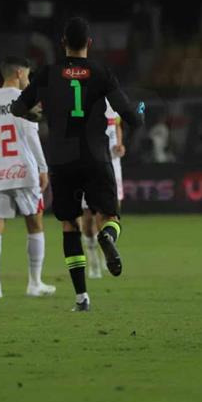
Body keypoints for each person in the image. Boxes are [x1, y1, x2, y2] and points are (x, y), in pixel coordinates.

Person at [10, 17, 144, 312]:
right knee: (111, 216)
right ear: (90, 43)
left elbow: (17, 107)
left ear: (62, 44)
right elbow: (131, 116)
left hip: (62, 158)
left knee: (70, 225)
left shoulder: (47, 73)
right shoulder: (101, 72)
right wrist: (141, 111)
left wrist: (40, 115)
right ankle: (107, 236)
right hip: (96, 155)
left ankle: (81, 298)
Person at [0, 56, 56, 298]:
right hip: (24, 171)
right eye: (27, 75)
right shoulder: (23, 100)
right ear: (19, 72)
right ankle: (34, 283)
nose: (28, 80)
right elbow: (31, 136)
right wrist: (42, 168)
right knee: (35, 223)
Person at [81, 99, 125, 278]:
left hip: (113, 165)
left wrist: (120, 145)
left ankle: (107, 253)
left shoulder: (113, 102)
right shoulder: (81, 104)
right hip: (90, 166)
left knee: (111, 214)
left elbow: (117, 126)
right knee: (87, 218)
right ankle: (93, 261)